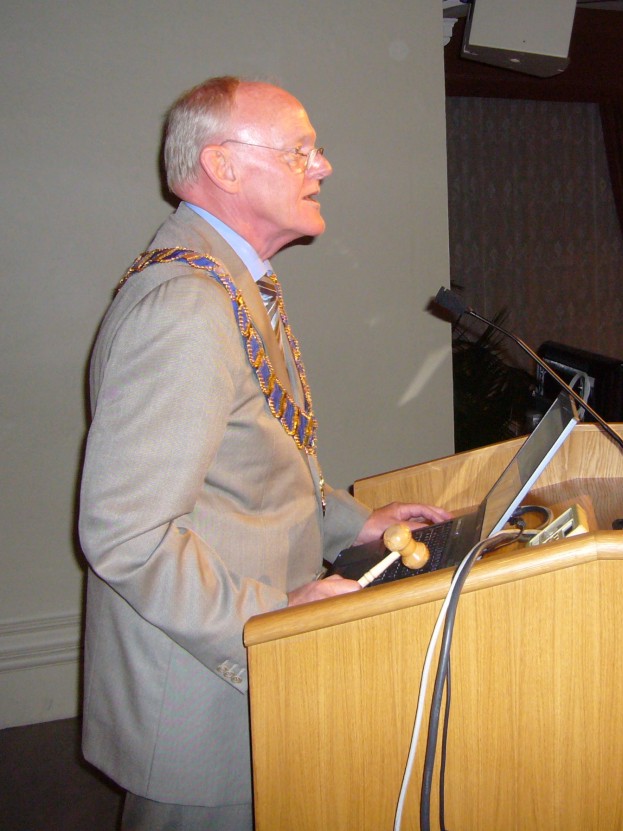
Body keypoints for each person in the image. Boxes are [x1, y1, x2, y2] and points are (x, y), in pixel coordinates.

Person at [78, 76, 450, 830]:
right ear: (223, 165)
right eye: (299, 151)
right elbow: (125, 533)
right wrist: (275, 617)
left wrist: (354, 523)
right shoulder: (188, 306)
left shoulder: (232, 284)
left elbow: (248, 467)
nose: (324, 166)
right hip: (199, 695)